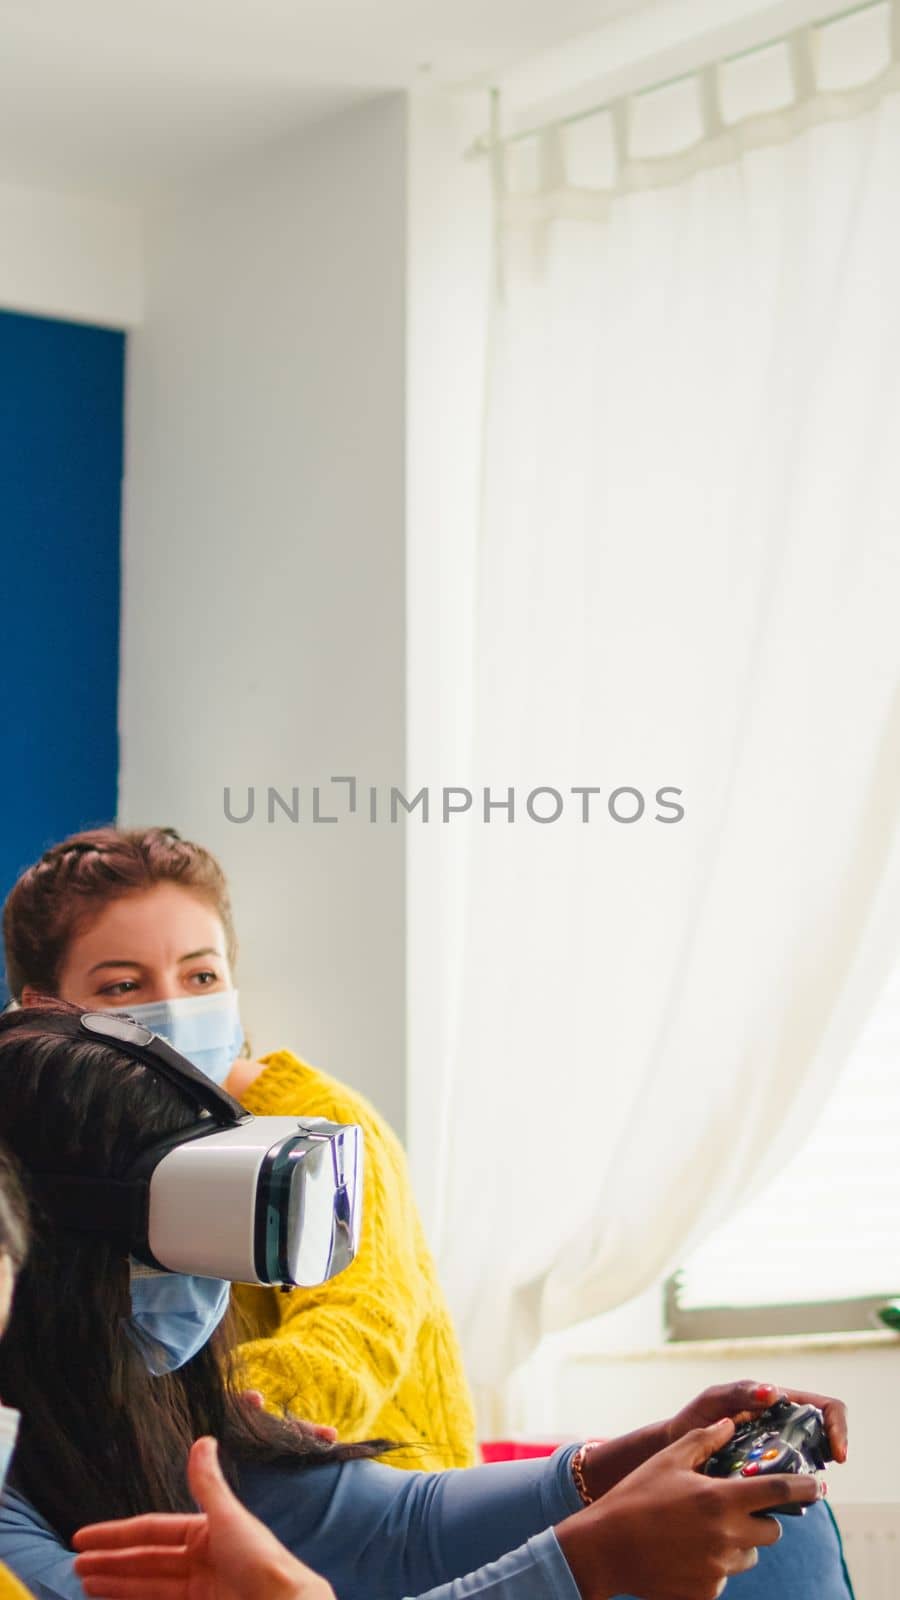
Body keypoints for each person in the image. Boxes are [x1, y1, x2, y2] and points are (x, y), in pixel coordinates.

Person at [0, 1006, 853, 1600]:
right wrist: (591, 1562)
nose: (211, 1281)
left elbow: (395, 1526)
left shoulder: (145, 1402)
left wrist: (628, 1461)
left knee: (772, 1528)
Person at [2, 824, 476, 1471]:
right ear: (42, 1009)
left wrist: (206, 1419)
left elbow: (359, 1320)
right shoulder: (43, 1145)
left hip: (357, 1486)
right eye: (122, 986)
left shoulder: (316, 1123)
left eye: (200, 976)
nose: (173, 1005)